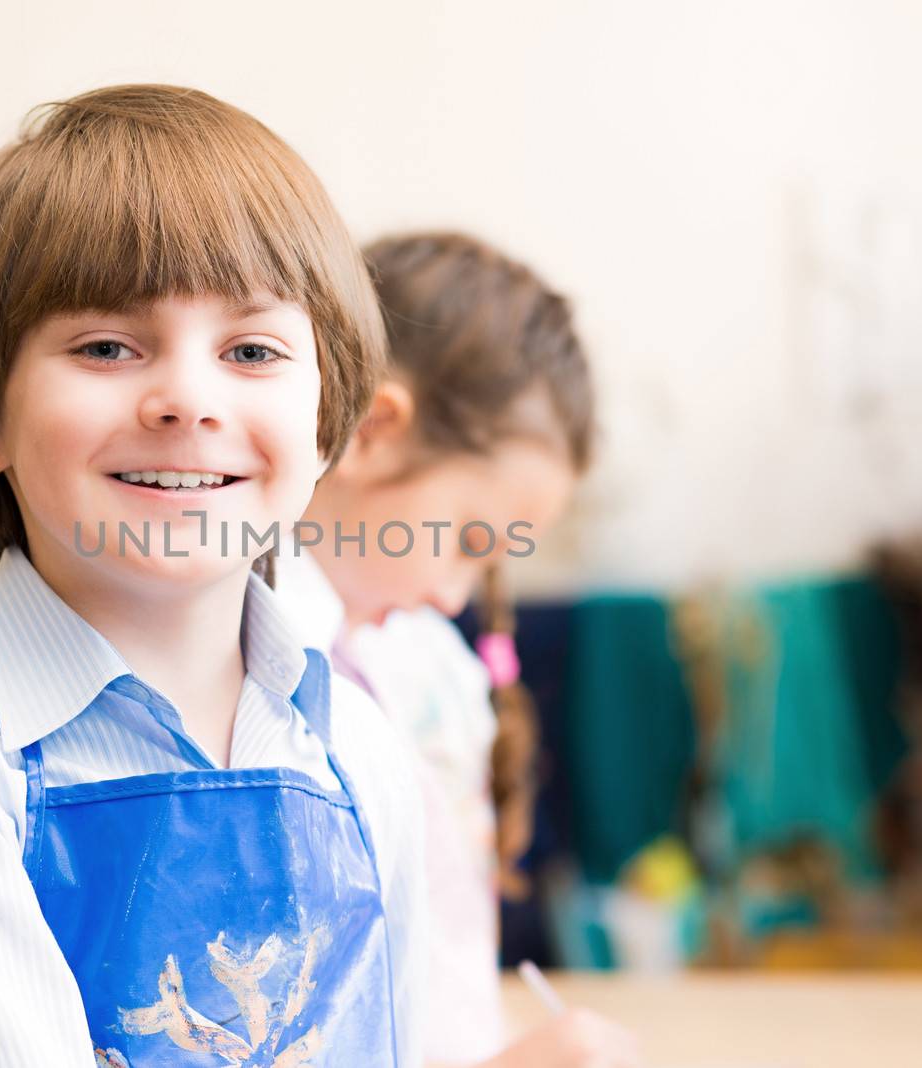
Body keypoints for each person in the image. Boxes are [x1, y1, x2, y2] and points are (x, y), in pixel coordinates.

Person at [0, 85, 426, 1067]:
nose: (187, 398)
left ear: (325, 430)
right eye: (106, 346)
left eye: (251, 349)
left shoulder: (358, 749)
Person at [279, 232, 640, 1067]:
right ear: (372, 431)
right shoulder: (228, 678)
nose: (453, 597)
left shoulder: (428, 666)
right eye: (468, 541)